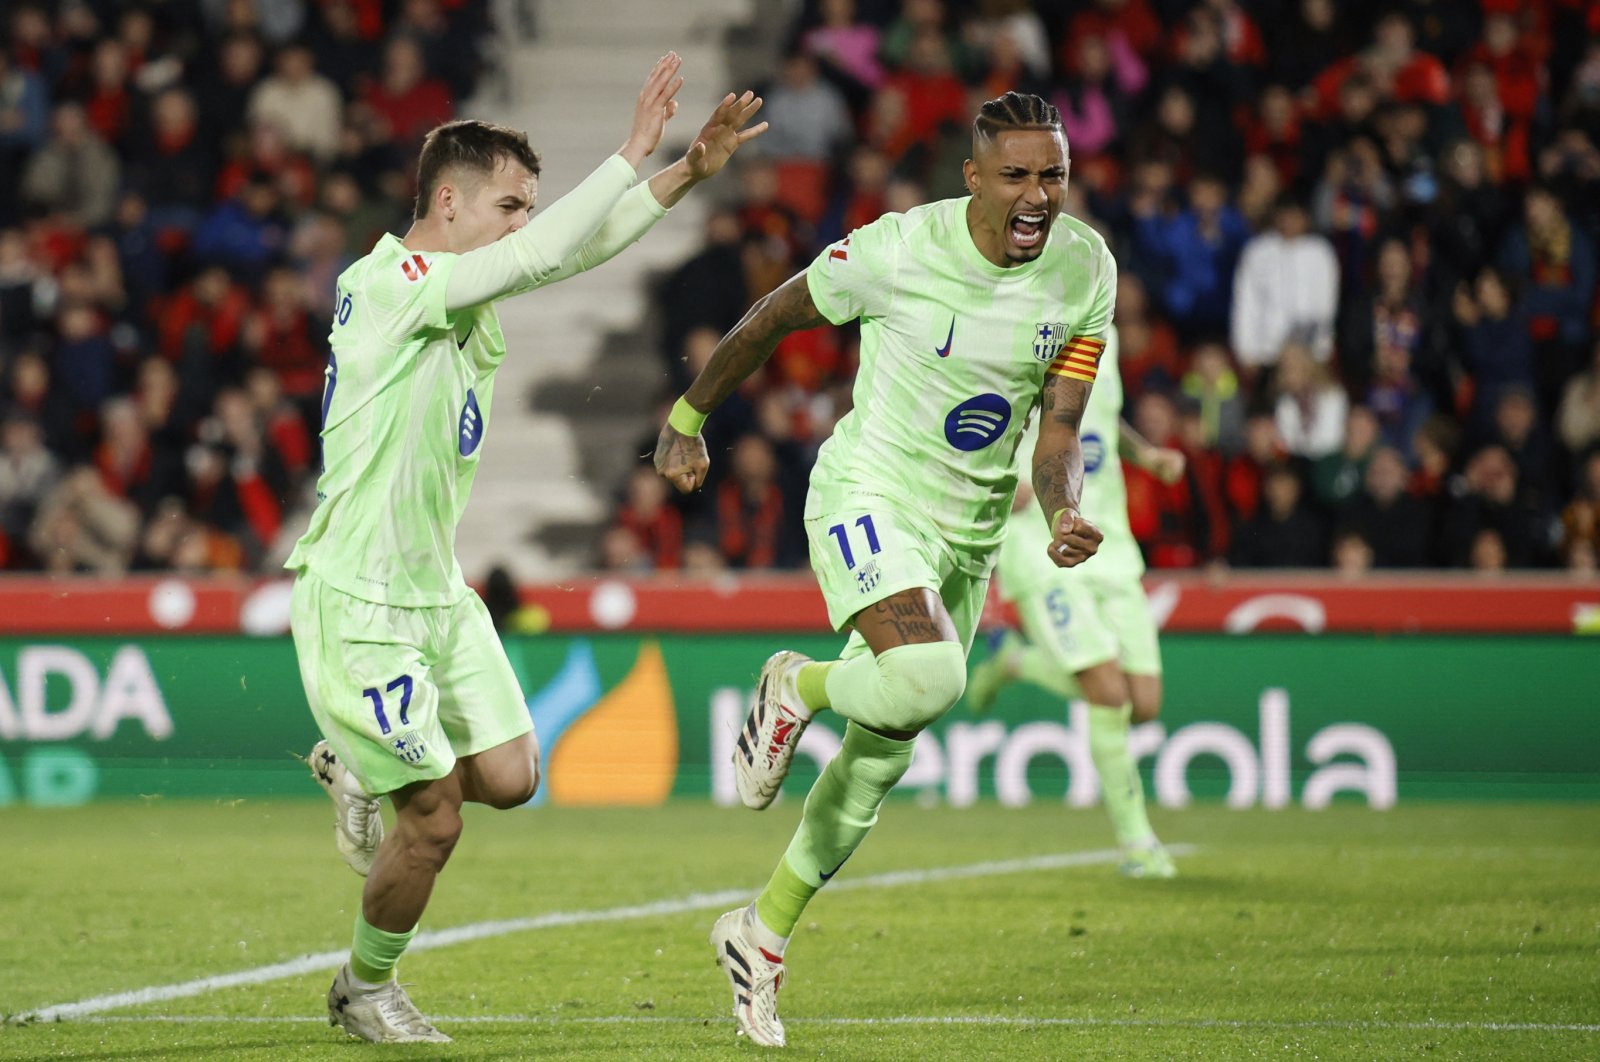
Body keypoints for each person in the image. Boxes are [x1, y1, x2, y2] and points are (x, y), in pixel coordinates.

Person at [289, 55, 766, 1044]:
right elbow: (545, 256)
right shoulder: (389, 284)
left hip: (436, 592)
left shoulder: (457, 297)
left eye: (528, 206)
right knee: (436, 819)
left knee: (508, 777)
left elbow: (565, 255)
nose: (522, 223)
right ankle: (364, 987)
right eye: (510, 204)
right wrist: (633, 152)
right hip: (362, 598)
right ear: (448, 201)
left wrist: (682, 175)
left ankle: (361, 763)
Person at [654, 91, 1109, 1048]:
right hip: (872, 496)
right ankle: (799, 683)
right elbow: (775, 316)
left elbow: (1058, 428)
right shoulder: (898, 249)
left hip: (972, 533)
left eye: (1054, 175)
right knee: (930, 676)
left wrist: (1065, 508)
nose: (1039, 197)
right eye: (1019, 175)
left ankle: (760, 933)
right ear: (973, 177)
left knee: (880, 756)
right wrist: (688, 419)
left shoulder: (1084, 269)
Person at [965, 325, 1182, 877]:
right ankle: (1138, 844)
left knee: (1145, 703)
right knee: (1108, 694)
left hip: (1112, 541)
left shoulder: (1102, 335)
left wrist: (1148, 456)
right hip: (1043, 540)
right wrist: (995, 483)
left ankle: (1015, 660)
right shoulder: (1020, 331)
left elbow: (1104, 419)